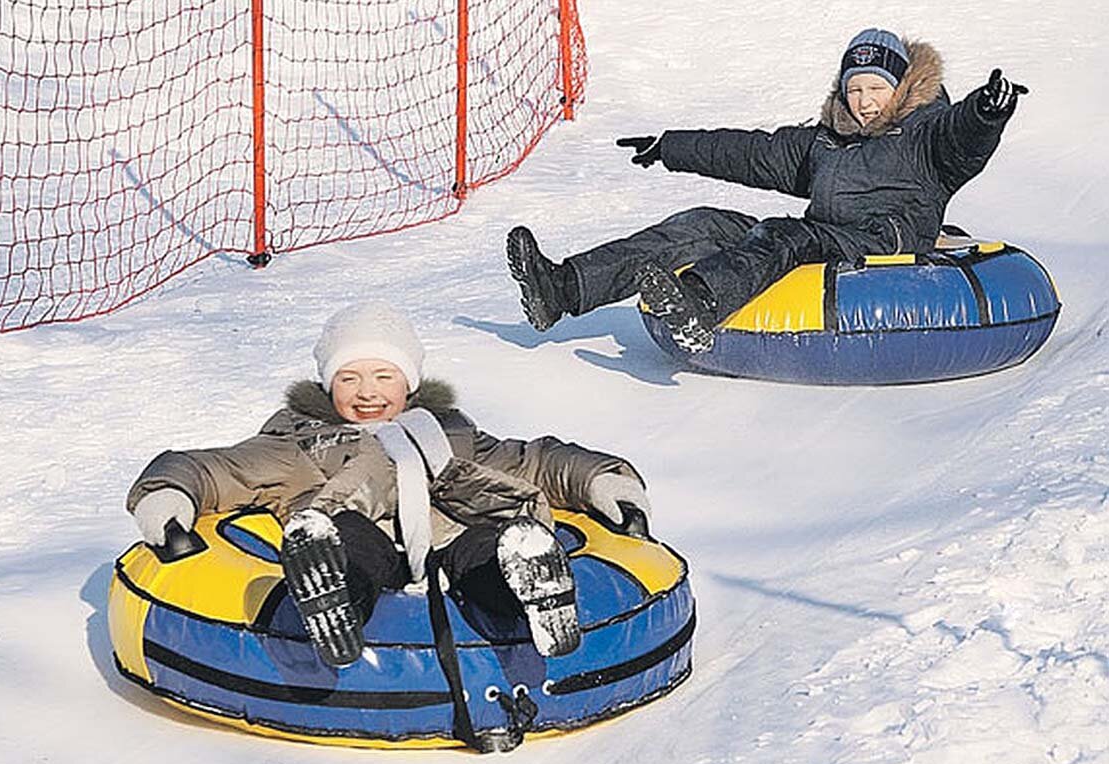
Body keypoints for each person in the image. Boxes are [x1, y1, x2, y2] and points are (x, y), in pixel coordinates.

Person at [126, 301, 651, 666]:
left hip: (449, 540)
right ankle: (334, 603)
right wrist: (169, 494)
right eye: (349, 379)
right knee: (348, 542)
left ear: (409, 384)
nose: (367, 393)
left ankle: (526, 591)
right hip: (359, 536)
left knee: (486, 547)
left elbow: (534, 461)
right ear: (328, 386)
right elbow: (219, 468)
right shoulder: (300, 442)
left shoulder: (449, 433)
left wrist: (605, 480)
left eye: (384, 377)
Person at [506, 28, 1028, 353]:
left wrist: (987, 112)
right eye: (855, 89)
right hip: (827, 235)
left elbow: (963, 139)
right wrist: (671, 146)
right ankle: (565, 288)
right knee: (705, 222)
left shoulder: (925, 133)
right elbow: (751, 152)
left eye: (876, 88)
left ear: (901, 88)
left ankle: (699, 308)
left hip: (882, 245)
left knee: (785, 234)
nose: (866, 101)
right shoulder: (828, 140)